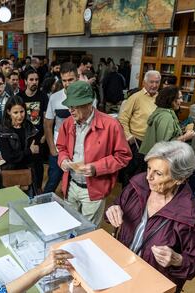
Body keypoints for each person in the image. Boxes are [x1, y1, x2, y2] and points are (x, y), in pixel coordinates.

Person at [106, 141, 195, 293]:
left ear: (179, 179)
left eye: (158, 173)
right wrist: (112, 209)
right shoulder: (138, 185)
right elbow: (118, 205)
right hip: (120, 268)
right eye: (149, 168)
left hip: (151, 283)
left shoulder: (192, 215)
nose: (148, 177)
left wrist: (178, 260)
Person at [56, 81, 132, 226]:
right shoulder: (68, 123)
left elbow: (123, 156)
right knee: (68, 226)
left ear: (89, 104)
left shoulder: (111, 125)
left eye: (75, 106)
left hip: (93, 191)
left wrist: (96, 168)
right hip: (70, 185)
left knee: (86, 232)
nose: (71, 110)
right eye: (69, 106)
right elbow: (61, 147)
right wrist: (63, 160)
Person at [118, 70, 161, 187]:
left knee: (147, 174)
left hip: (154, 144)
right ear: (144, 83)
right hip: (137, 142)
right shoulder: (135, 97)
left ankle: (139, 201)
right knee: (131, 175)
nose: (154, 85)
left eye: (157, 82)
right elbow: (123, 118)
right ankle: (127, 199)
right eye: (151, 82)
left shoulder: (161, 98)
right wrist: (128, 136)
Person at [138, 86, 195, 169]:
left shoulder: (161, 111)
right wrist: (185, 137)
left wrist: (182, 130)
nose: (182, 101)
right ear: (170, 100)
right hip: (156, 159)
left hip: (151, 156)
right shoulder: (166, 116)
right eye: (179, 98)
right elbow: (164, 145)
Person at [43, 62, 78, 193]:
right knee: (53, 180)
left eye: (71, 80)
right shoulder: (55, 98)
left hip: (78, 149)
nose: (67, 83)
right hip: (59, 147)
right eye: (64, 80)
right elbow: (48, 125)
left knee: (73, 185)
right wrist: (52, 148)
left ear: (77, 78)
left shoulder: (88, 97)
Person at [0, 96, 40, 195]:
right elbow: (8, 157)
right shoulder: (3, 130)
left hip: (28, 174)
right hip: (10, 173)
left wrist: (22, 155)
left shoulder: (29, 127)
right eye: (15, 113)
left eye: (22, 112)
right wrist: (29, 151)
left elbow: (36, 154)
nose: (20, 116)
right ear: (8, 112)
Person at [18, 70, 47, 192]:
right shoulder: (20, 97)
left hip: (39, 136)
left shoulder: (43, 96)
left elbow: (46, 117)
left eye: (36, 79)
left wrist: (45, 135)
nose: (34, 82)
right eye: (31, 79)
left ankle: (38, 188)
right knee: (24, 163)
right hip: (24, 136)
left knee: (38, 165)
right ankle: (24, 188)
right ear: (25, 81)